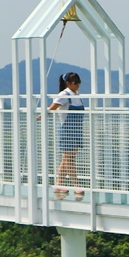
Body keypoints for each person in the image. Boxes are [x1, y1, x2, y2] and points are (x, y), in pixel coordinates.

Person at [49, 71, 85, 200]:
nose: (78, 85)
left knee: (67, 159)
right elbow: (51, 108)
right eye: (75, 82)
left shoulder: (77, 95)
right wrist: (38, 117)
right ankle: (76, 185)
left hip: (77, 130)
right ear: (68, 83)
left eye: (79, 82)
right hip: (67, 131)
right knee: (69, 159)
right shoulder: (63, 95)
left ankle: (58, 184)